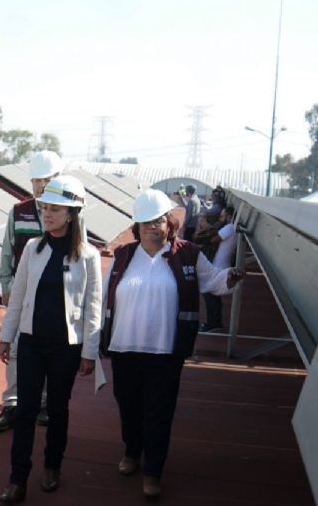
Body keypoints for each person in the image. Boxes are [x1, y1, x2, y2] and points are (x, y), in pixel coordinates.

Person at [100, 189, 244, 499]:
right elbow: (102, 299)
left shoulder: (188, 254)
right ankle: (132, 451)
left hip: (166, 351)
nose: (152, 227)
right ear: (137, 226)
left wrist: (231, 276)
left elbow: (214, 281)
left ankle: (153, 471)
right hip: (125, 349)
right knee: (128, 407)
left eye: (158, 221)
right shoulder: (124, 256)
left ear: (169, 223)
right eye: (145, 222)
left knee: (159, 412)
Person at [0, 176, 102, 504]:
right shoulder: (32, 248)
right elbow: (18, 297)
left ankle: (52, 466)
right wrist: (6, 336)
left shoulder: (88, 256)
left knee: (57, 409)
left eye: (55, 209)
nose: (47, 214)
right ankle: (18, 478)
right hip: (30, 342)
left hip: (65, 348)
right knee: (26, 410)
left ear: (72, 213)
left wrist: (89, 352)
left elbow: (94, 307)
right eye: (45, 208)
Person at [0, 150, 64, 432]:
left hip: (53, 296)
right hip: (22, 295)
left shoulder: (69, 214)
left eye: (47, 180)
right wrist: (5, 284)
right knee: (16, 348)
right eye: (37, 181)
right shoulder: (18, 211)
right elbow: (7, 250)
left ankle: (42, 403)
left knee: (48, 347)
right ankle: (12, 404)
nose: (42, 186)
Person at [200, 205, 238, 332]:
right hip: (221, 265)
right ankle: (215, 322)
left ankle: (213, 323)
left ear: (228, 216)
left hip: (219, 266)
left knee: (208, 293)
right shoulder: (233, 228)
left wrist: (215, 224)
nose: (220, 218)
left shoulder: (229, 227)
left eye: (222, 216)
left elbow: (213, 239)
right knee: (213, 295)